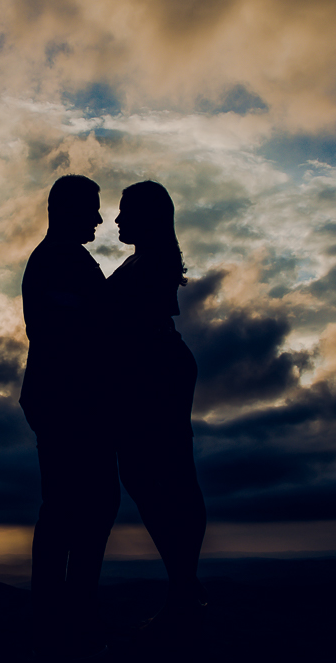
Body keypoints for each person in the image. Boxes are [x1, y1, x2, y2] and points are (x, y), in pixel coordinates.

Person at [20, 174, 120, 659]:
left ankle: (65, 617)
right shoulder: (59, 260)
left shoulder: (63, 259)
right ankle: (70, 620)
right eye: (92, 209)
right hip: (69, 403)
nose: (100, 219)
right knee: (80, 508)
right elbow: (74, 330)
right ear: (67, 209)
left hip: (64, 401)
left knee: (75, 509)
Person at [107, 180, 208, 644]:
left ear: (147, 215)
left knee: (164, 478)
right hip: (154, 370)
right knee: (155, 478)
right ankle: (184, 593)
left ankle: (184, 596)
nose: (117, 219)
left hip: (157, 373)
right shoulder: (144, 261)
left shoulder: (152, 263)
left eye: (125, 211)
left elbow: (124, 322)